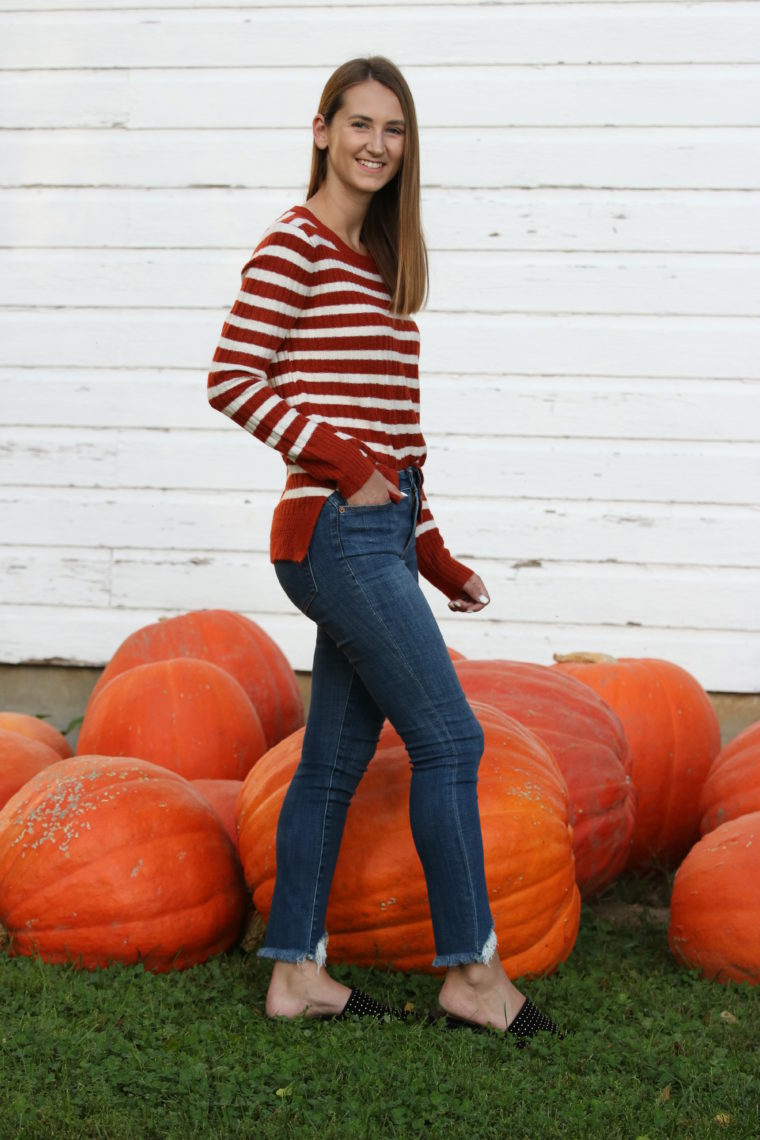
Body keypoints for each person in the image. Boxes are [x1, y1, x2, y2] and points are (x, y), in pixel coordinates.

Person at [207, 57, 561, 1041]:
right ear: (320, 129)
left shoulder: (380, 266)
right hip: (332, 530)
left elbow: (401, 439)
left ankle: (293, 974)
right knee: (451, 739)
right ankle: (473, 975)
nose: (375, 144)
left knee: (333, 759)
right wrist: (342, 461)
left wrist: (438, 558)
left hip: (379, 536)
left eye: (393, 130)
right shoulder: (295, 244)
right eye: (358, 124)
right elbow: (231, 376)